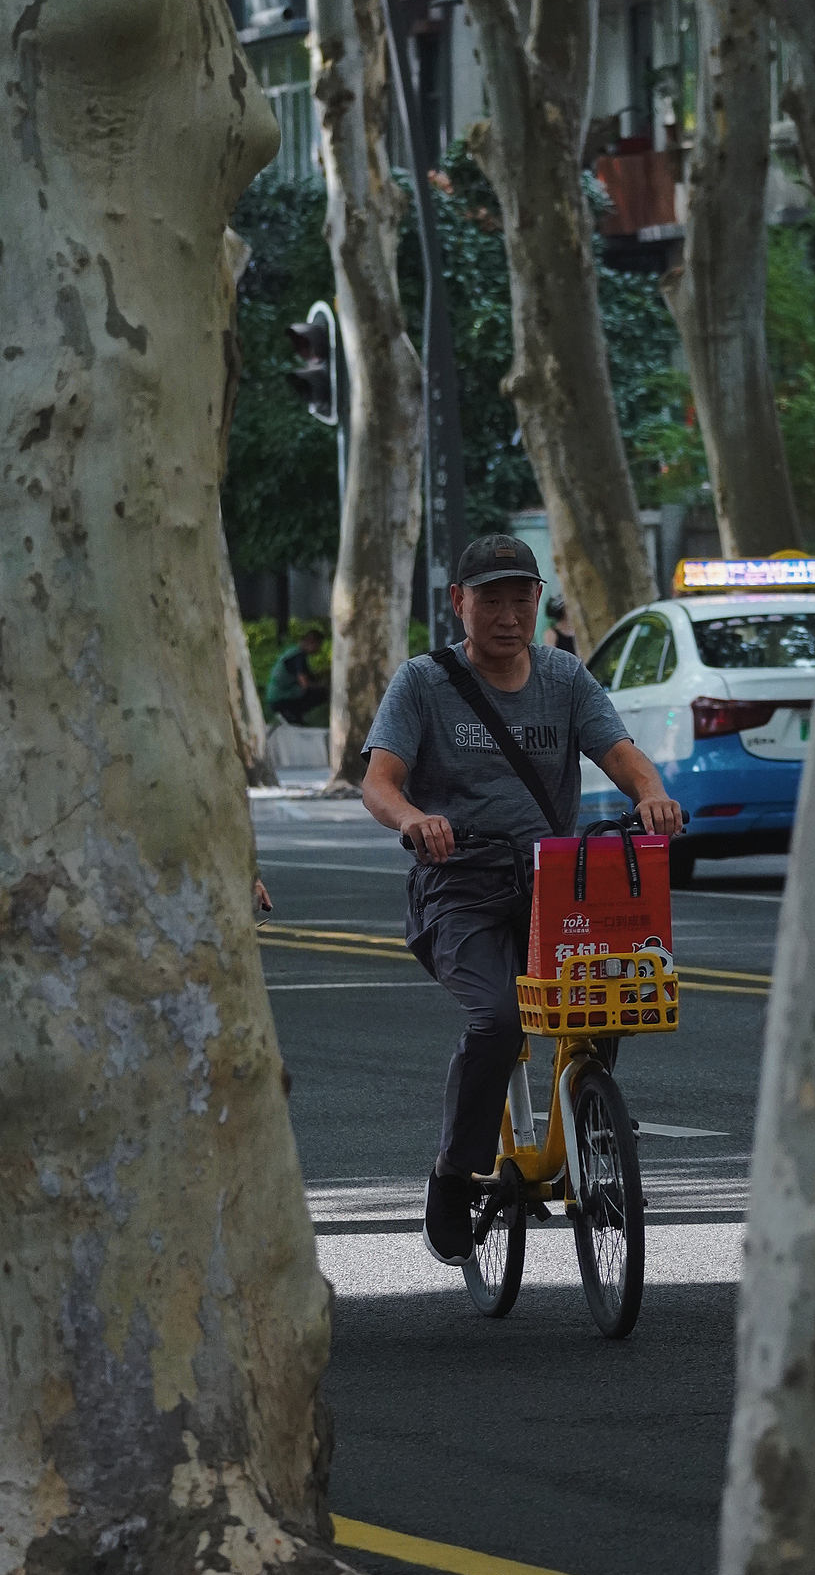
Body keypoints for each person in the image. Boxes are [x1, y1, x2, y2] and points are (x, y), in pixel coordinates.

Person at [361, 533, 682, 1268]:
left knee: (616, 993)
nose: (508, 616)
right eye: (492, 600)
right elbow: (381, 780)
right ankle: (452, 1171)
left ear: (539, 602)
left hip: (551, 884)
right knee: (500, 1018)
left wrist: (653, 793)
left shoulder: (566, 678)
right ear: (459, 604)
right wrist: (414, 820)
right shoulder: (423, 682)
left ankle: (589, 1116)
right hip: (457, 886)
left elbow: (620, 753)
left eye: (521, 599)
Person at [267, 627, 329, 725]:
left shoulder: (295, 653)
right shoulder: (297, 657)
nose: (319, 649)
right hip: (281, 699)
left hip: (280, 696)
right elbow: (305, 683)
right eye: (319, 645)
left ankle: (295, 717)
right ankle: (291, 714)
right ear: (312, 643)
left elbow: (310, 676)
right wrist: (322, 686)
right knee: (322, 693)